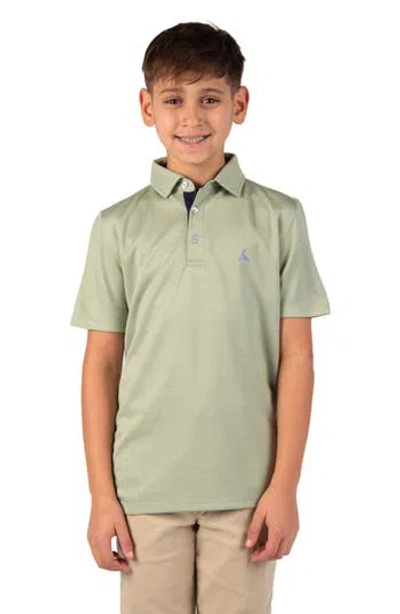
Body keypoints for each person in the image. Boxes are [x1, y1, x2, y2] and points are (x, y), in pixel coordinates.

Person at [70, 20, 331, 614]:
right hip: (144, 490)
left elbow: (297, 357)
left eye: (210, 98)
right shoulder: (116, 226)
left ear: (239, 104)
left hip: (248, 490)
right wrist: (101, 496)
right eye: (173, 100)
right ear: (147, 107)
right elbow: (101, 364)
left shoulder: (280, 218)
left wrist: (285, 487)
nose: (192, 117)